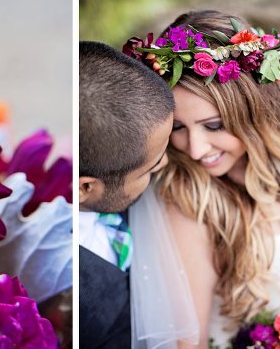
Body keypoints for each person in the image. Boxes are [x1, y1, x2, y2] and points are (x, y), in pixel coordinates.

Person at [124, 10, 280, 349]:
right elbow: (188, 343)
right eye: (178, 129)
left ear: (255, 113)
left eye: (213, 126)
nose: (195, 150)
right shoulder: (189, 201)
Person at [78, 41, 174, 348]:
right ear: (85, 188)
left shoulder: (117, 193)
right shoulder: (78, 296)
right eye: (147, 170)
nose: (165, 164)